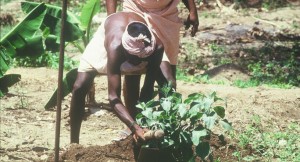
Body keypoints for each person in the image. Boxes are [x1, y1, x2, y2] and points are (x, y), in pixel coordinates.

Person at [69, 11, 164, 144]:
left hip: (132, 41)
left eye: (141, 59)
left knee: (165, 81)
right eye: (134, 59)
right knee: (79, 86)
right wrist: (134, 126)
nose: (136, 64)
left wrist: (141, 121)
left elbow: (147, 88)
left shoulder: (157, 47)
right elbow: (113, 97)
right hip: (109, 37)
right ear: (126, 51)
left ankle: (133, 137)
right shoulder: (115, 47)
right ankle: (74, 144)